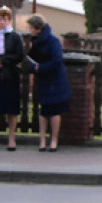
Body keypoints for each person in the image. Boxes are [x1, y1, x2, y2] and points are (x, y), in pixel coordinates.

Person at [27, 14, 71, 152]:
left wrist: (42, 67)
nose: (29, 30)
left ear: (38, 28)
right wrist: (33, 67)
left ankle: (54, 140)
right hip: (42, 79)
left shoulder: (53, 41)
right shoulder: (34, 41)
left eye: (31, 28)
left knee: (55, 110)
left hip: (55, 79)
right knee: (43, 110)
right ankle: (42, 140)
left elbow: (57, 60)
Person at [0, 7, 24, 151]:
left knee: (11, 109)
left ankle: (11, 138)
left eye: (5, 19)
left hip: (9, 76)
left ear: (9, 21)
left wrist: (3, 60)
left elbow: (19, 55)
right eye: (0, 19)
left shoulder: (14, 37)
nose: (2, 22)